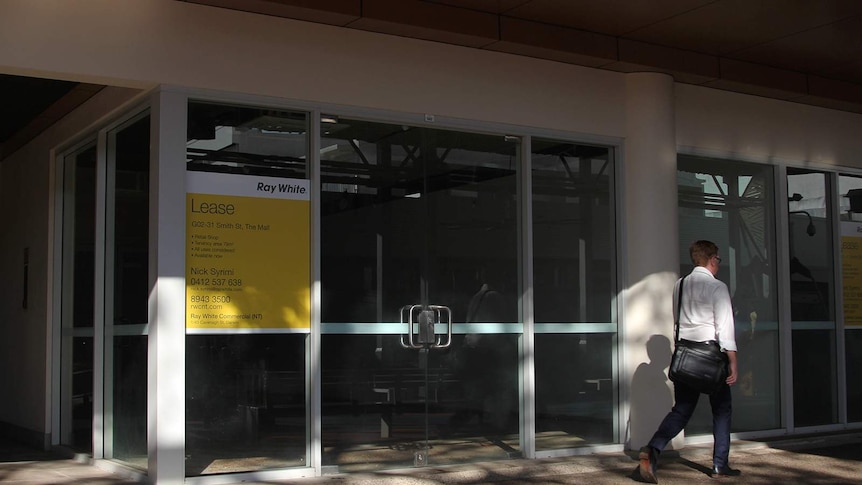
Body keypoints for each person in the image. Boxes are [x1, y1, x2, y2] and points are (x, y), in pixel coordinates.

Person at [639, 240, 740, 483]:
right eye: (718, 259)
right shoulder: (718, 287)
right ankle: (719, 464)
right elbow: (725, 328)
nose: (718, 264)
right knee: (722, 410)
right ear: (712, 259)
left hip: (686, 356)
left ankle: (652, 450)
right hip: (711, 357)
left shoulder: (680, 285)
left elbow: (677, 320)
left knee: (682, 409)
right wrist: (733, 361)